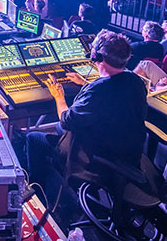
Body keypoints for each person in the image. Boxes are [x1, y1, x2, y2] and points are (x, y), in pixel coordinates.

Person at [25, 30, 147, 206]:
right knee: (57, 131)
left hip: (94, 158)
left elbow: (66, 120)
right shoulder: (135, 81)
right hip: (129, 156)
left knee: (33, 138)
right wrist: (86, 83)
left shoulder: (98, 91)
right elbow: (112, 97)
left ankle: (38, 194)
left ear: (96, 56)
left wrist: (58, 96)